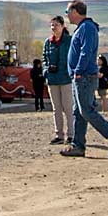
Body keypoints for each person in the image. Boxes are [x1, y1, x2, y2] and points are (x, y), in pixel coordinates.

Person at [60, 0, 108, 158]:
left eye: (68, 11)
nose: (67, 15)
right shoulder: (82, 28)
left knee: (87, 111)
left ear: (75, 12)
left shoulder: (87, 28)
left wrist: (78, 70)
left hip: (84, 76)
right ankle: (78, 145)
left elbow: (86, 51)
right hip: (81, 76)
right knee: (79, 112)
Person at [43, 16, 74, 145]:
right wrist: (46, 70)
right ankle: (59, 135)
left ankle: (72, 134)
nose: (53, 27)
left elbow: (73, 57)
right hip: (52, 79)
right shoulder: (48, 42)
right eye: (52, 25)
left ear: (62, 26)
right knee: (56, 109)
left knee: (68, 108)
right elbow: (44, 58)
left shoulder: (69, 41)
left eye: (56, 25)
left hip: (66, 78)